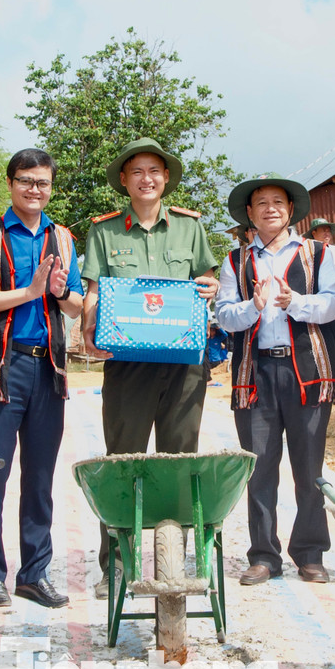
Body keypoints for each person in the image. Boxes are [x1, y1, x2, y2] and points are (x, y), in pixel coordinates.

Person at [81, 137, 219, 595]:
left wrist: (210, 287)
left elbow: (207, 279)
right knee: (124, 461)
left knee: (180, 461)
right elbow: (96, 292)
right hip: (128, 365)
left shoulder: (190, 228)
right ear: (124, 180)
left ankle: (172, 562)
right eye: (137, 171)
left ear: (165, 179)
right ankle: (116, 564)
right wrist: (88, 331)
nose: (147, 178)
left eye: (155, 171)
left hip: (184, 366)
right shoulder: (104, 232)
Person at [0, 149, 83, 610]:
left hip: (48, 368)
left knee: (40, 476)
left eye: (43, 183)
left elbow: (75, 306)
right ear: (11, 184)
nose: (35, 190)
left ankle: (34, 573)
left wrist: (60, 293)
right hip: (1, 367)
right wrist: (28, 293)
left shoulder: (63, 239)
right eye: (26, 181)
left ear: (52, 187)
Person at [215, 176, 335, 586]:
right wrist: (252, 306)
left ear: (291, 210)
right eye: (261, 203)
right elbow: (224, 316)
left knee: (309, 469)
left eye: (278, 202)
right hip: (255, 375)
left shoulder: (321, 254)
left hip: (306, 373)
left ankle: (310, 553)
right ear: (249, 214)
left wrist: (296, 303)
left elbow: (332, 305)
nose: (270, 208)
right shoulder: (234, 262)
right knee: (260, 468)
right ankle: (264, 555)